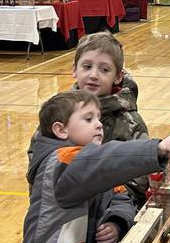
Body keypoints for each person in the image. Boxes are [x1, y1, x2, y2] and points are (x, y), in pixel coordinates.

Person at [12, 90, 170, 243]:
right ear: (60, 130)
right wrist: (155, 149)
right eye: (88, 119)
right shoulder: (62, 163)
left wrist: (116, 221)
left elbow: (119, 196)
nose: (99, 124)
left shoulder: (87, 164)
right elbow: (105, 161)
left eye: (98, 118)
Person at [29, 32, 151, 205]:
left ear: (118, 76)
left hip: (108, 218)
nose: (94, 75)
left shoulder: (131, 123)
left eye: (104, 69)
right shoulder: (58, 113)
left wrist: (113, 215)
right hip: (60, 214)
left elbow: (138, 181)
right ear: (74, 69)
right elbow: (38, 162)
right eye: (87, 66)